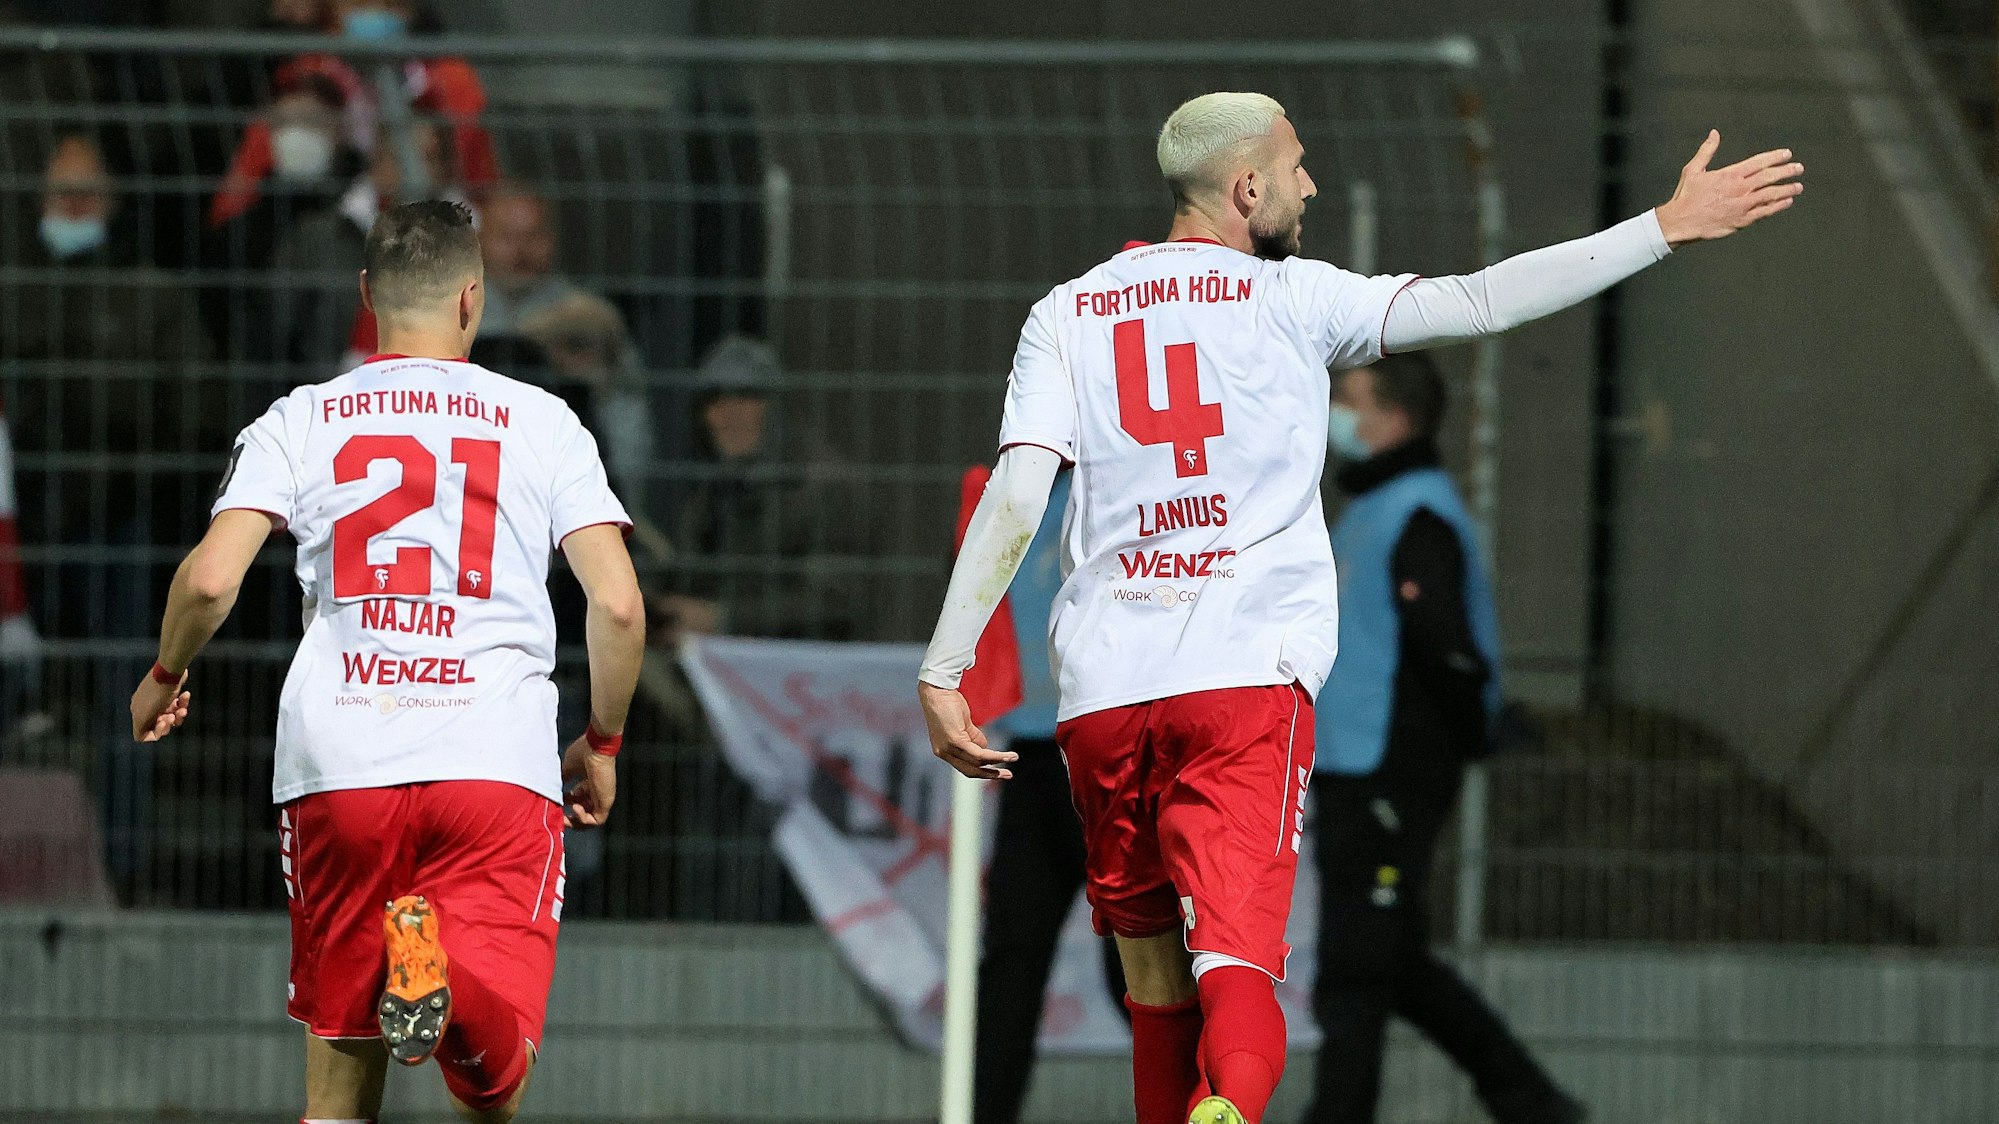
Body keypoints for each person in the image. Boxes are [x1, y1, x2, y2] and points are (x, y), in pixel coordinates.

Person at [917, 91, 1801, 1124]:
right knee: (1237, 966)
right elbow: (1480, 300)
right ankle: (1229, 1112)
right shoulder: (1292, 298)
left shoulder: (1063, 313)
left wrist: (942, 668)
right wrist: (1661, 226)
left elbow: (1019, 490)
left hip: (1106, 689)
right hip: (1243, 683)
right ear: (1246, 187)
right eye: (1296, 166)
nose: (1311, 184)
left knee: (1151, 981)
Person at [127, 200, 646, 1123]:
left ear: (368, 297)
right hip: (492, 766)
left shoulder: (303, 417)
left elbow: (210, 580)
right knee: (494, 1081)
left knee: (338, 1073)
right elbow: (616, 604)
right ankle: (445, 982)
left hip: (339, 767)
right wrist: (600, 741)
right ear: (473, 298)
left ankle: (415, 983)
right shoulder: (544, 420)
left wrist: (163, 676)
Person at [1304, 353, 1583, 1124]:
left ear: (1394, 418)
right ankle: (1527, 1099)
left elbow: (1446, 649)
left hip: (1387, 768)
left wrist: (1468, 735)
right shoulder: (1371, 507)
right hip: (1355, 762)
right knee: (1386, 955)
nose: (1335, 414)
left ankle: (1345, 1113)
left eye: (1348, 399)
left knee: (1360, 961)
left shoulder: (1415, 516)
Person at [955, 465, 1129, 1124]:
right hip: (1032, 751)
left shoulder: (1125, 485)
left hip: (1108, 752)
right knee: (1010, 964)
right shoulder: (1017, 489)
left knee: (1136, 962)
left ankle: (1195, 1102)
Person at [654, 334, 861, 646]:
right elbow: (687, 575)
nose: (728, 415)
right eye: (716, 400)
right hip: (711, 657)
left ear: (776, 407)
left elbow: (834, 602)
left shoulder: (822, 486)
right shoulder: (712, 491)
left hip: (798, 668)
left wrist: (722, 618)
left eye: (746, 397)